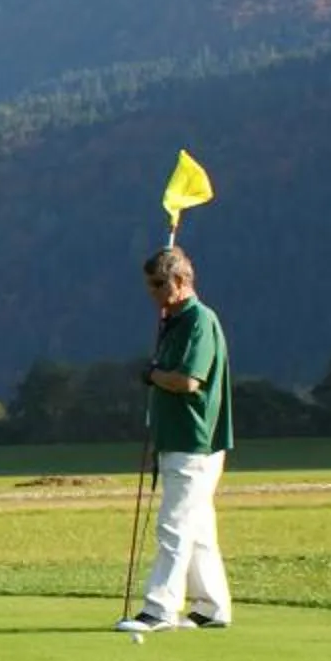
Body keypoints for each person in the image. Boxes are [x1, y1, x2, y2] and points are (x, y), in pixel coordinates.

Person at [118, 247, 234, 634]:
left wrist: (152, 375)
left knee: (174, 526)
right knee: (198, 528)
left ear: (181, 281)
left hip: (194, 440)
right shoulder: (175, 321)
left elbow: (187, 381)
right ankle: (211, 607)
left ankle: (160, 608)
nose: (151, 293)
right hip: (178, 439)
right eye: (149, 285)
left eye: (158, 284)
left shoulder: (197, 321)